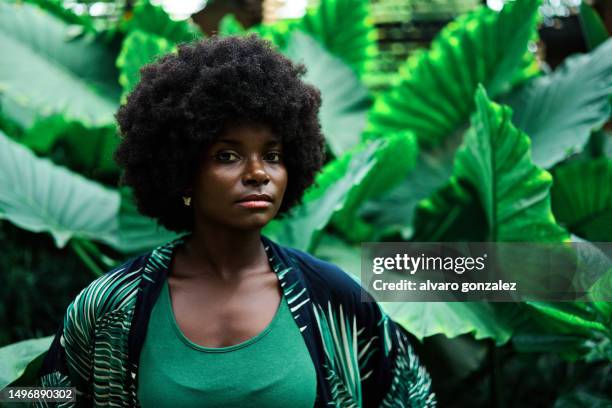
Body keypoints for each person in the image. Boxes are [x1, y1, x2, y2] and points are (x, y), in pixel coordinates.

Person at [35, 34, 436, 407]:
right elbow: (45, 397)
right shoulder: (113, 304)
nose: (258, 173)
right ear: (182, 170)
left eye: (273, 156)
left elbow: (411, 393)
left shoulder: (330, 297)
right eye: (228, 155)